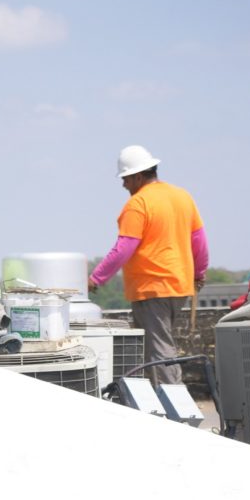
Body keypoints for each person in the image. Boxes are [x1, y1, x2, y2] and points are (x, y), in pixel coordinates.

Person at [88, 145, 209, 385]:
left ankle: (174, 412)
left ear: (138, 176)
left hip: (153, 288)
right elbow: (199, 241)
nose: (124, 185)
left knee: (159, 352)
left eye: (125, 179)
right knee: (160, 348)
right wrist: (199, 273)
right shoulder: (182, 196)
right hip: (179, 287)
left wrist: (96, 278)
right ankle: (163, 403)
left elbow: (124, 247)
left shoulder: (138, 203)